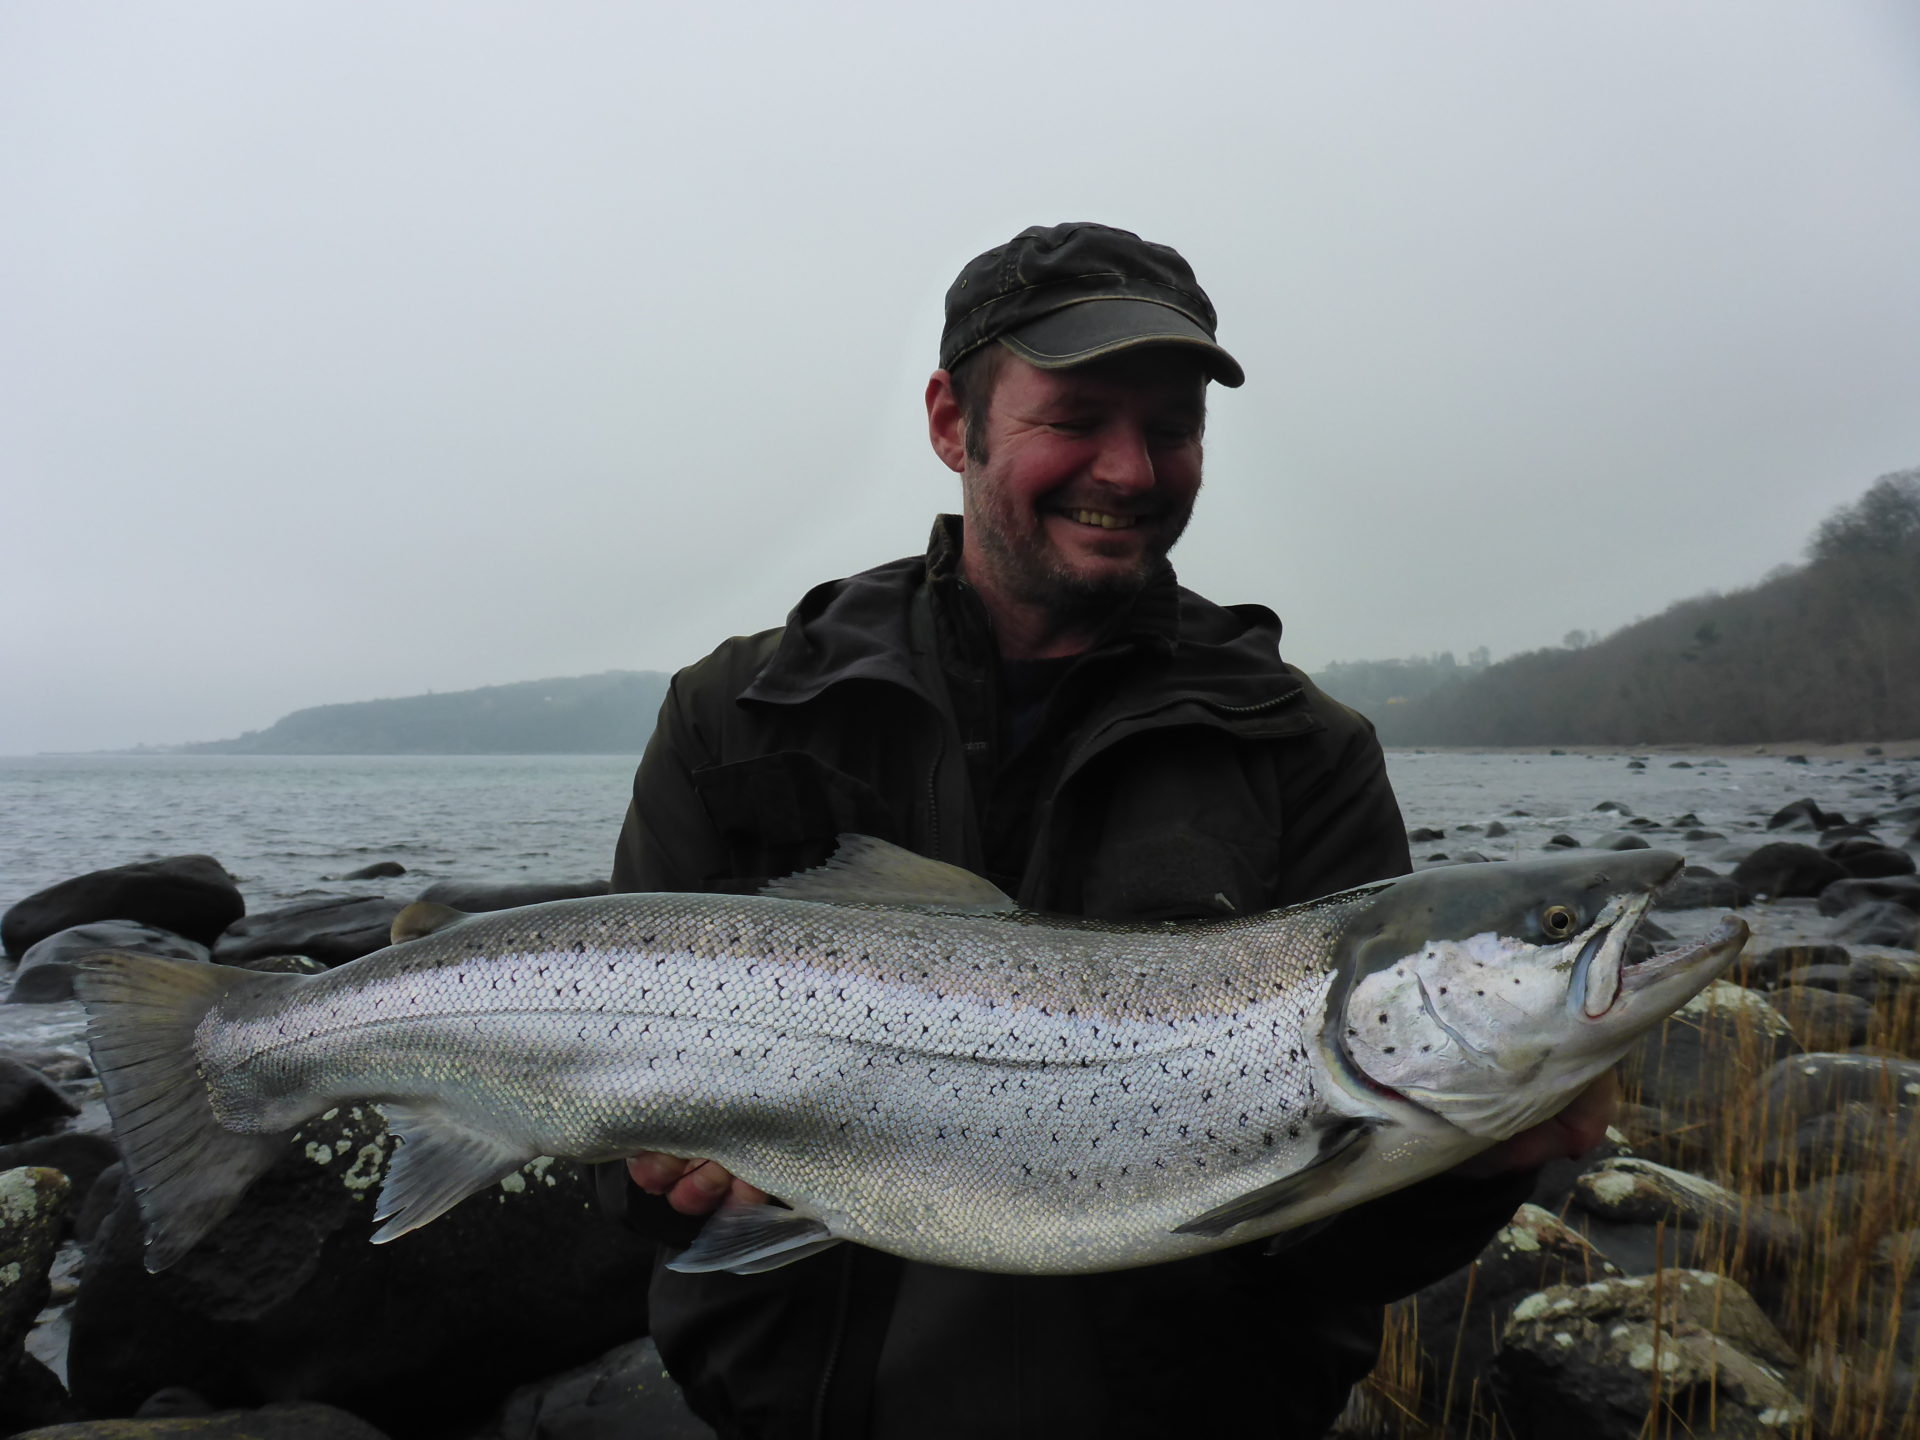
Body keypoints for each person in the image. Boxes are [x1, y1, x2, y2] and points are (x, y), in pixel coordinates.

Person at [604, 222, 1615, 1439]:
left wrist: (1477, 1168)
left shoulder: (1305, 753)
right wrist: (665, 1182)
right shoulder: (734, 715)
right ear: (950, 422)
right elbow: (632, 1184)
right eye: (1076, 416)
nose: (1132, 470)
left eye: (1172, 428)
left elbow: (1333, 1252)